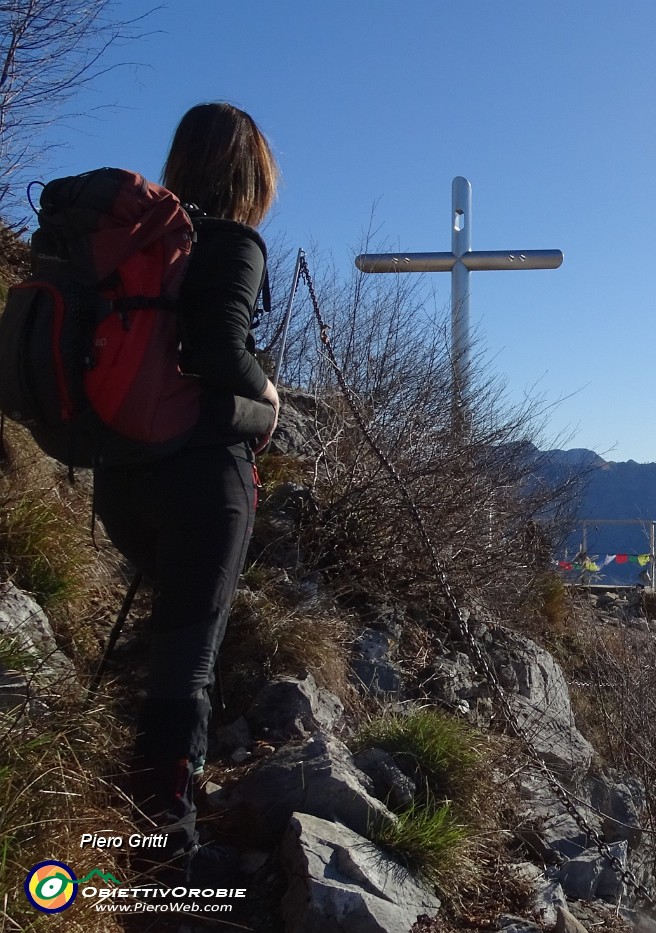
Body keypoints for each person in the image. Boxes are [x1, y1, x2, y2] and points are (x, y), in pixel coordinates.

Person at [93, 102, 280, 879]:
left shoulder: (139, 246)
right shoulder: (233, 242)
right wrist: (266, 395)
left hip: (124, 476)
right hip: (206, 484)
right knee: (187, 668)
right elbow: (217, 348)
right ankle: (160, 845)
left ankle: (122, 790)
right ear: (252, 176)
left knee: (169, 644)